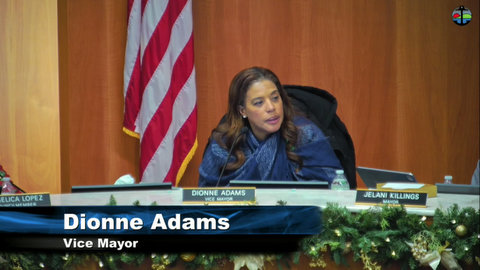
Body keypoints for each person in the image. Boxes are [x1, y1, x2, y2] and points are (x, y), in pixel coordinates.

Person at [198, 67, 343, 187]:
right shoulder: (224, 145)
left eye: (275, 98)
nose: (271, 107)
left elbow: (336, 188)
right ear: (242, 111)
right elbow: (203, 199)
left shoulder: (304, 134)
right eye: (259, 102)